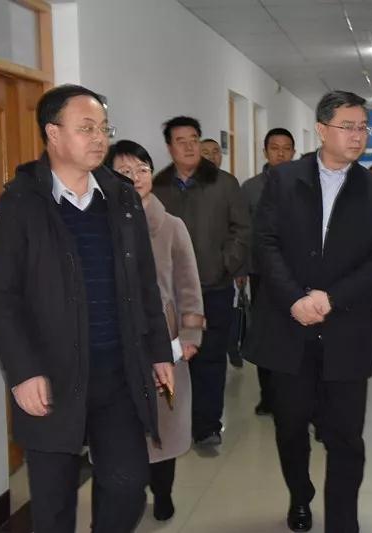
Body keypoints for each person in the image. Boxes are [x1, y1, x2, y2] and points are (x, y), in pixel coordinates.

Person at [0, 84, 174, 532]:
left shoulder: (121, 197)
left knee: (127, 486)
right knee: (53, 504)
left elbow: (145, 283)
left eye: (103, 128)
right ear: (53, 133)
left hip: (118, 372)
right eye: (86, 128)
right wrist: (23, 371)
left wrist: (158, 351)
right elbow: (0, 296)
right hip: (51, 375)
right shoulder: (22, 201)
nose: (99, 138)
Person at [248, 90, 372, 532]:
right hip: (288, 326)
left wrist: (331, 298)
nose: (358, 136)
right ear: (321, 129)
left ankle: (343, 521)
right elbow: (266, 244)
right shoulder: (283, 179)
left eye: (363, 127)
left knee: (346, 436)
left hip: (346, 329)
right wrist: (295, 298)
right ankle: (300, 495)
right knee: (290, 428)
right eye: (348, 126)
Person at [106, 140, 205, 522]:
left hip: (166, 345)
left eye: (142, 169)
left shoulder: (172, 227)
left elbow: (189, 288)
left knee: (165, 426)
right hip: (116, 345)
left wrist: (190, 338)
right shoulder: (102, 225)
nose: (135, 177)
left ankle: (162, 492)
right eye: (125, 171)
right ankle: (130, 493)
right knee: (123, 427)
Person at [153, 116, 250, 446]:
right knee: (174, 359)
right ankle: (177, 424)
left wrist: (226, 264)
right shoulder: (158, 186)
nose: (189, 146)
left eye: (194, 139)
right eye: (181, 141)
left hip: (212, 287)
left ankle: (207, 426)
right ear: (170, 148)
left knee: (210, 359)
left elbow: (242, 229)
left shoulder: (224, 183)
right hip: (171, 295)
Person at [242, 127, 296, 416]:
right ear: (265, 152)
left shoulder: (307, 185)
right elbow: (242, 231)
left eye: (286, 148)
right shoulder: (250, 188)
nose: (281, 153)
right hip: (261, 273)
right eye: (275, 148)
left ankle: (295, 393)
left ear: (293, 152)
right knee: (265, 333)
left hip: (298, 273)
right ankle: (268, 396)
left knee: (297, 332)